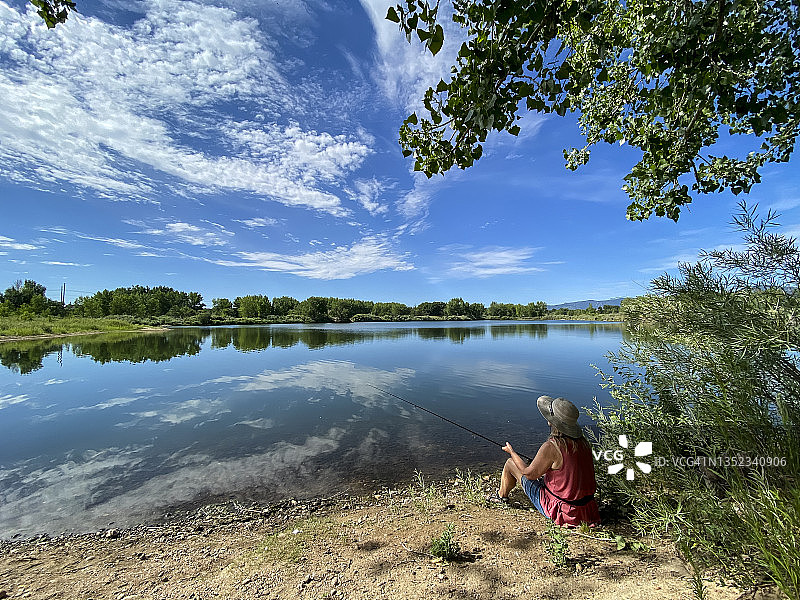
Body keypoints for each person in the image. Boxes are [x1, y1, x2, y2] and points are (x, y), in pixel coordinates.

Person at [489, 395, 600, 527]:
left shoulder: (552, 446)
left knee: (510, 464)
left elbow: (528, 473)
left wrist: (512, 452)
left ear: (552, 421)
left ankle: (501, 496)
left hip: (563, 512)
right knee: (541, 473)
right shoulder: (584, 443)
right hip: (586, 511)